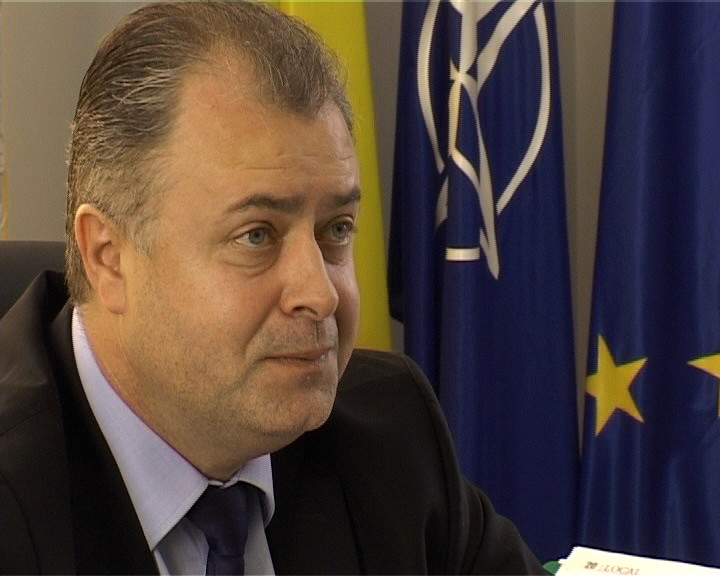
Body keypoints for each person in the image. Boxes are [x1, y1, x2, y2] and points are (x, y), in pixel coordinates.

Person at [0, 2, 546, 574]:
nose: (321, 294)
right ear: (108, 257)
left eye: (336, 230)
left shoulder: (388, 431)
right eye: (256, 235)